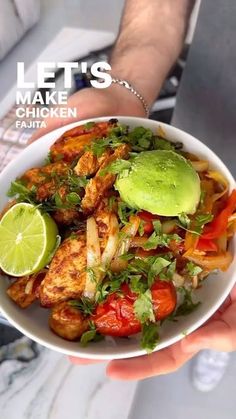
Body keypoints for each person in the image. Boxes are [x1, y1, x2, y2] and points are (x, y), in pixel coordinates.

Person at [32, 0, 236, 383]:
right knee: (206, 317)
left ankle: (213, 334)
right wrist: (124, 85)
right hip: (220, 76)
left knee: (213, 314)